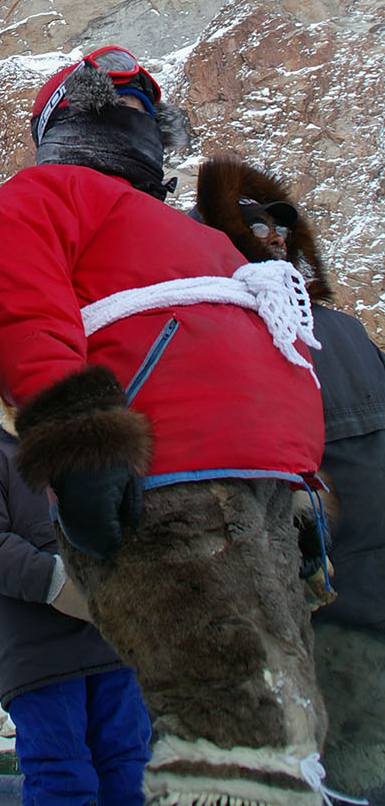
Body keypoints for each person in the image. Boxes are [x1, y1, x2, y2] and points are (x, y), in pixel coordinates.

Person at [0, 48, 330, 806]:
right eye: (107, 99)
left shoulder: (192, 231)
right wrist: (81, 437)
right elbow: (16, 300)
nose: (130, 108)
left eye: (143, 104)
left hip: (265, 492)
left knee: (287, 700)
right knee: (223, 710)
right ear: (64, 121)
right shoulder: (49, 193)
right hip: (170, 484)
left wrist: (305, 485)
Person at [196, 153, 385, 804]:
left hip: (326, 620)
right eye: (255, 225)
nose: (272, 234)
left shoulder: (251, 343)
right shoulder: (349, 334)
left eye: (278, 224)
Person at [0, 381, 151, 805]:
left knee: (131, 772)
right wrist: (54, 581)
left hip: (114, 651)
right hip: (42, 664)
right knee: (62, 778)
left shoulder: (95, 459)